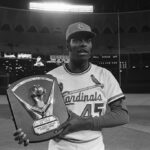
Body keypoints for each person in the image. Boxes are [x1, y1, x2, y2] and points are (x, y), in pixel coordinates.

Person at [13, 22, 129, 150]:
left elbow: (122, 115)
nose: (83, 44)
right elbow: (40, 114)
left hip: (94, 145)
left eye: (87, 40)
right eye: (77, 40)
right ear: (68, 45)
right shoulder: (51, 78)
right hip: (60, 146)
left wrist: (83, 123)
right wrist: (28, 132)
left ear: (91, 45)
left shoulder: (104, 75)